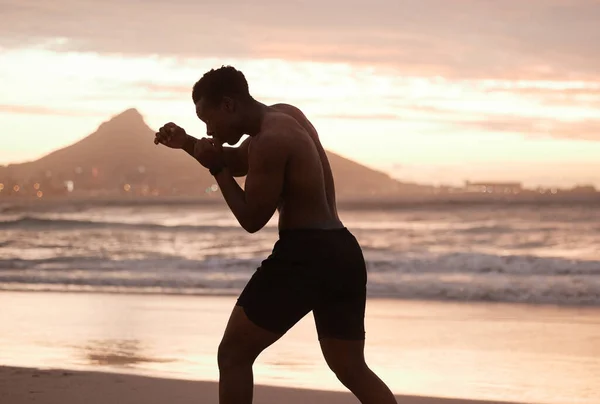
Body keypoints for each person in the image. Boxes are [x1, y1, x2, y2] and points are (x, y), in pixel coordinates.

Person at [154, 65, 397, 404]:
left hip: (305, 255)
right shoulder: (284, 117)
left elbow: (252, 218)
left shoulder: (270, 141)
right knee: (351, 366)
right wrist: (187, 144)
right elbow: (242, 161)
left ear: (228, 105)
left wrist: (216, 168)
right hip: (342, 251)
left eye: (207, 121)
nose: (208, 130)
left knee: (233, 354)